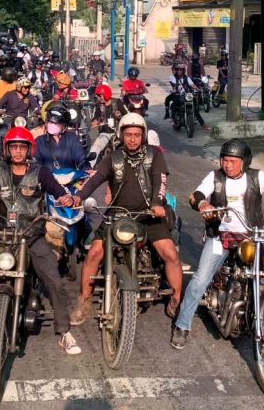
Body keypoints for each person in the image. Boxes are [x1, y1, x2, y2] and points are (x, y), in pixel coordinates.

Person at [171, 139, 264, 351]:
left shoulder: (257, 177)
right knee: (200, 279)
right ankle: (182, 325)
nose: (227, 165)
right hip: (220, 235)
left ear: (244, 162)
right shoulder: (215, 177)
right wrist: (203, 204)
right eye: (224, 160)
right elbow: (196, 195)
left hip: (253, 236)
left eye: (233, 161)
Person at [0, 127, 82, 354]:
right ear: (7, 150)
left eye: (23, 147)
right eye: (14, 147)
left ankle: (64, 332)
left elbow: (58, 189)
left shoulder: (41, 173)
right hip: (0, 234)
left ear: (29, 150)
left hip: (30, 235)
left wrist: (65, 197)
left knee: (54, 279)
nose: (18, 151)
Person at [68, 113, 182, 325]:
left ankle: (176, 300)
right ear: (121, 135)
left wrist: (157, 203)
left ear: (143, 135)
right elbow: (95, 179)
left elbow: (160, 180)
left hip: (149, 215)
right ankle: (84, 300)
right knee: (93, 254)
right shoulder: (113, 158)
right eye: (128, 135)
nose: (132, 139)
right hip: (117, 215)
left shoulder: (154, 154)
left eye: (137, 135)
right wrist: (79, 196)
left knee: (171, 255)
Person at [34, 104, 87, 171]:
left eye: (56, 123)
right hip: (47, 177)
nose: (52, 125)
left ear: (64, 126)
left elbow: (80, 157)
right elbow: (36, 165)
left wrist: (87, 169)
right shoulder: (39, 141)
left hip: (70, 176)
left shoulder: (72, 138)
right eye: (50, 122)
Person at [164, 63, 207, 129]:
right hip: (177, 94)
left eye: (180, 70)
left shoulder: (186, 78)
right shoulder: (173, 77)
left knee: (195, 108)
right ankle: (172, 118)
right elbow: (173, 84)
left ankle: (202, 123)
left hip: (186, 94)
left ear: (183, 71)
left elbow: (192, 85)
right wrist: (174, 89)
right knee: (174, 104)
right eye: (178, 70)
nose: (179, 71)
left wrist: (198, 89)